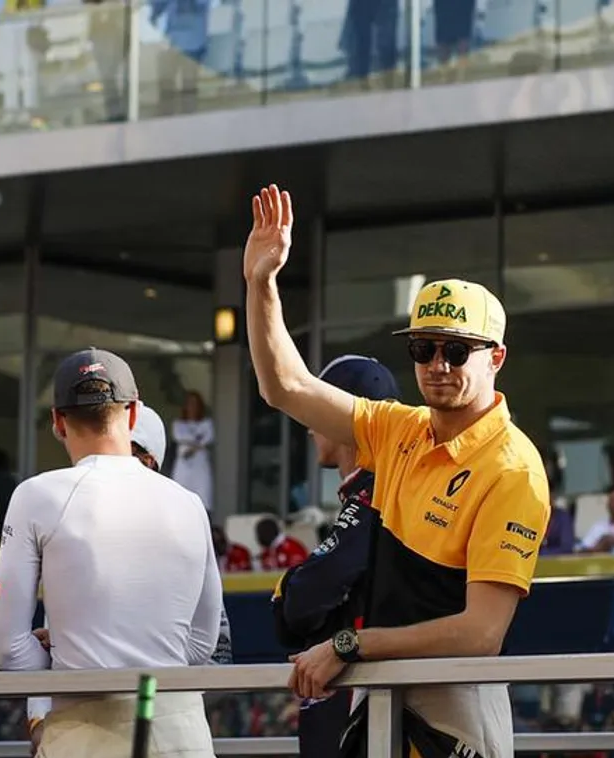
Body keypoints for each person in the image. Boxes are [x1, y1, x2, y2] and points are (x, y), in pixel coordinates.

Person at [242, 185, 551, 758]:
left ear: (496, 357)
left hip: (456, 704)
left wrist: (350, 644)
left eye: (455, 350)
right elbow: (284, 387)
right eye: (422, 349)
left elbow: (481, 635)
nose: (437, 365)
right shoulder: (398, 427)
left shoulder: (514, 467)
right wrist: (262, 284)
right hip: (380, 692)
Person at [0, 348, 222, 758]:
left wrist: (68, 657)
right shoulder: (189, 503)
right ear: (133, 415)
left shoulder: (36, 496)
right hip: (181, 731)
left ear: (58, 422)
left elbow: (7, 649)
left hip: (85, 731)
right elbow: (203, 643)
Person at [271, 354, 400, 758]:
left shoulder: (378, 492)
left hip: (367, 717)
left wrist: (290, 587)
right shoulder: (373, 491)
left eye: (316, 409)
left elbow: (300, 603)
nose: (310, 426)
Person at [171, 390, 214, 511]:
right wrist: (198, 441)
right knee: (180, 497)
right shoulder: (178, 424)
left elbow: (208, 437)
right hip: (183, 466)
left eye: (195, 404)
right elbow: (179, 437)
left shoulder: (206, 423)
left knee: (202, 499)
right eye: (190, 403)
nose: (192, 407)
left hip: (200, 466)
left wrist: (192, 443)